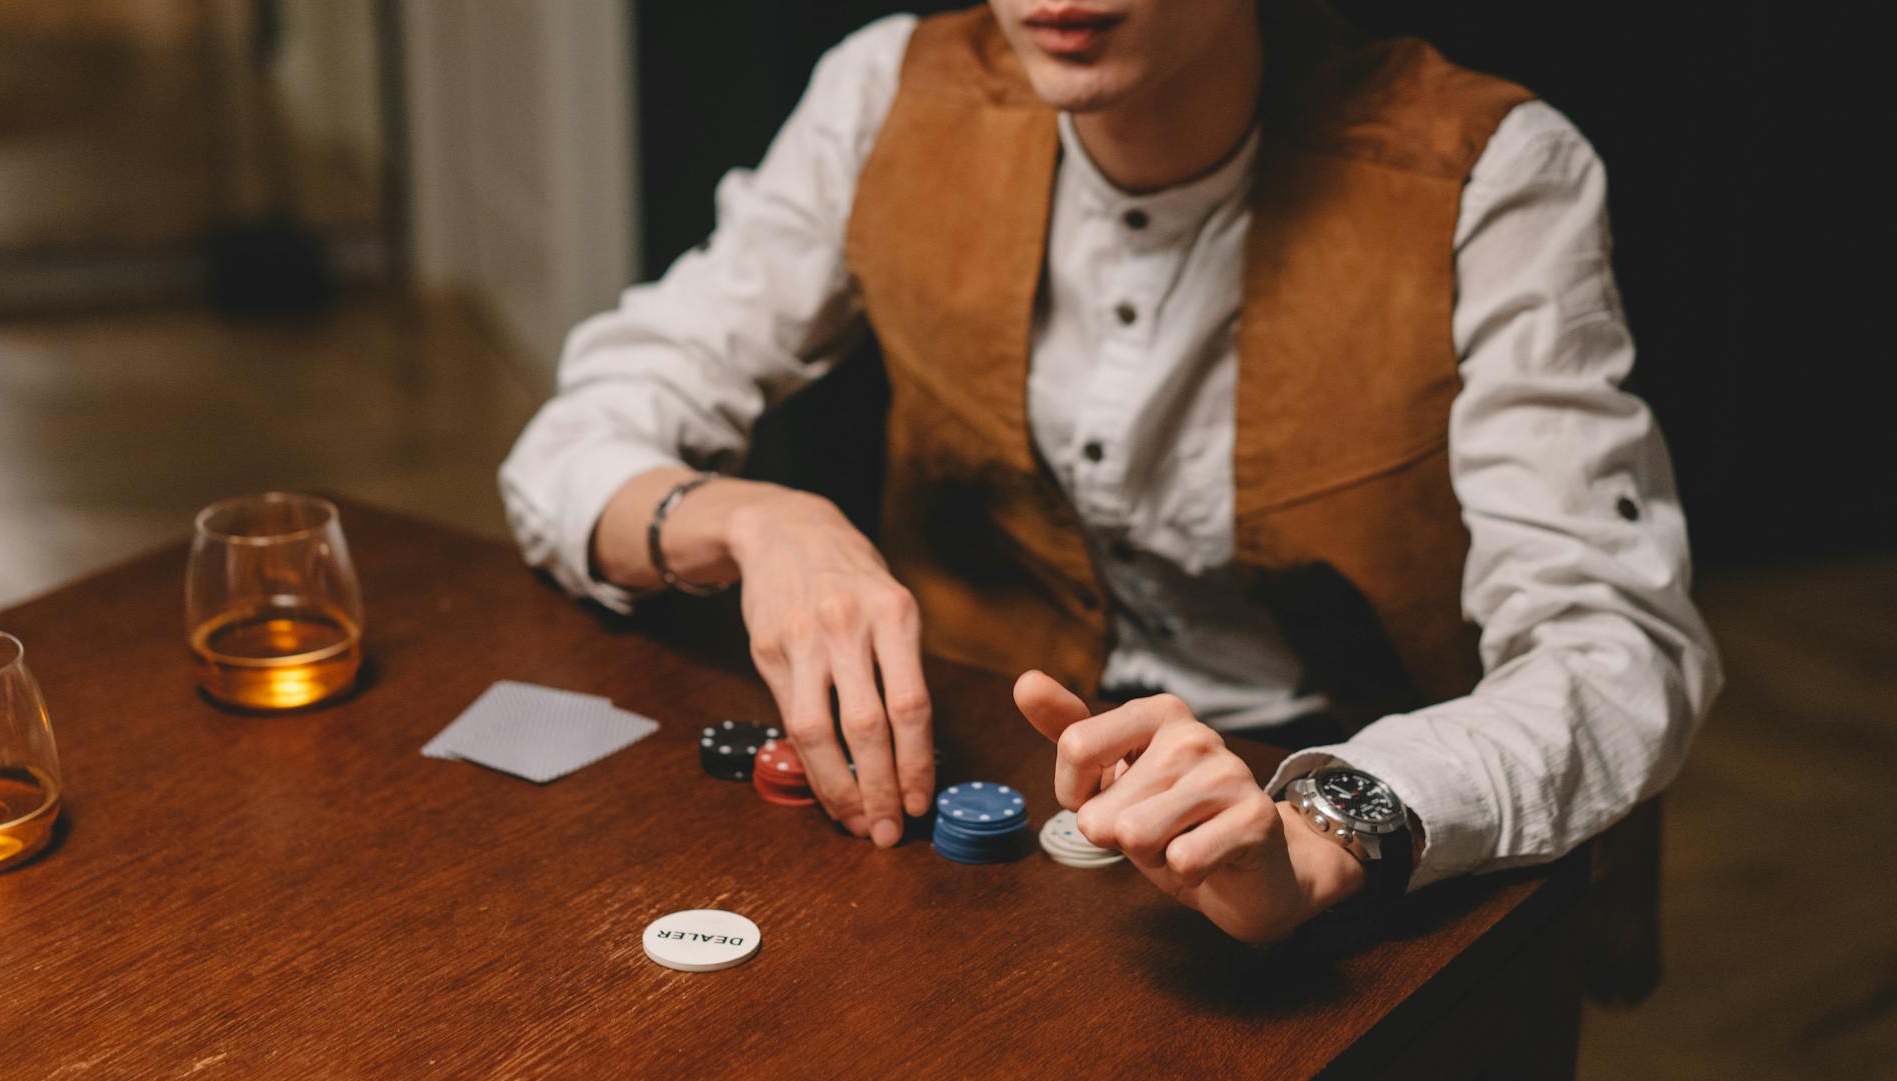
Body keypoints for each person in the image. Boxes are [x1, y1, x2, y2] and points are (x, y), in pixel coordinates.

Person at [500, 0, 1721, 945]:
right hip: (964, 806)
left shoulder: (1489, 171)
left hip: (1327, 844)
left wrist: (1328, 824)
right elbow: (572, 439)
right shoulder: (888, 90)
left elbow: (1618, 648)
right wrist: (755, 519)